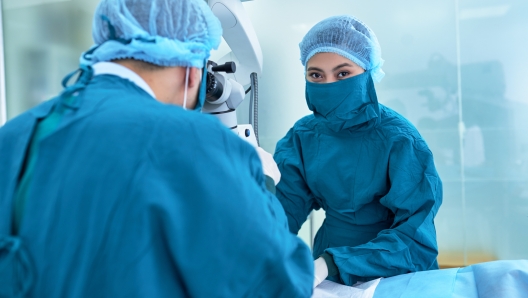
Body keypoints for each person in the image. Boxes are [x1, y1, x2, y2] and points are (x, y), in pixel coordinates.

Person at [0, 0, 313, 297]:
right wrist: (262, 185)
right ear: (193, 73)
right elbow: (278, 282)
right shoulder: (196, 142)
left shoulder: (15, 135)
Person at [273, 15, 443, 288]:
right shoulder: (303, 136)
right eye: (316, 75)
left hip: (396, 272)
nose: (329, 85)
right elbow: (281, 212)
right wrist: (256, 250)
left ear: (368, 74)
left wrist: (332, 264)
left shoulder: (399, 139)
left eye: (343, 74)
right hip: (326, 276)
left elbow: (415, 240)